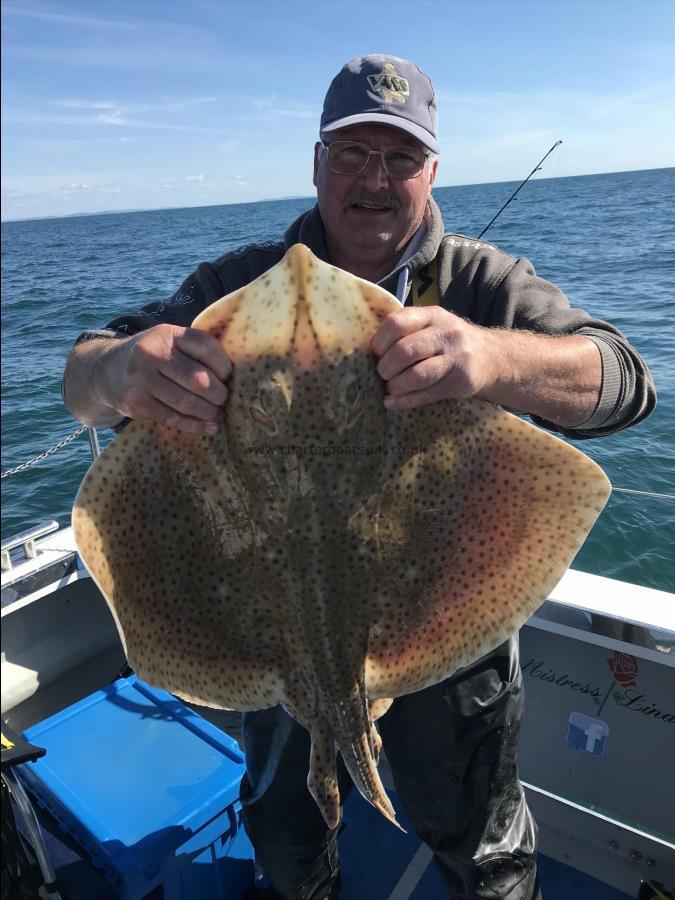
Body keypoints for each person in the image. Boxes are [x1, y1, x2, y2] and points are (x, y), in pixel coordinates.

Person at [63, 55, 655, 900]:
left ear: (431, 171)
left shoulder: (480, 284)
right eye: (350, 154)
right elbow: (81, 381)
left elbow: (624, 380)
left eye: (399, 157)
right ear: (315, 163)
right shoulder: (234, 287)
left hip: (445, 623)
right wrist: (120, 368)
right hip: (267, 630)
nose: (373, 178)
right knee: (285, 821)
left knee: (479, 838)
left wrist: (490, 356)